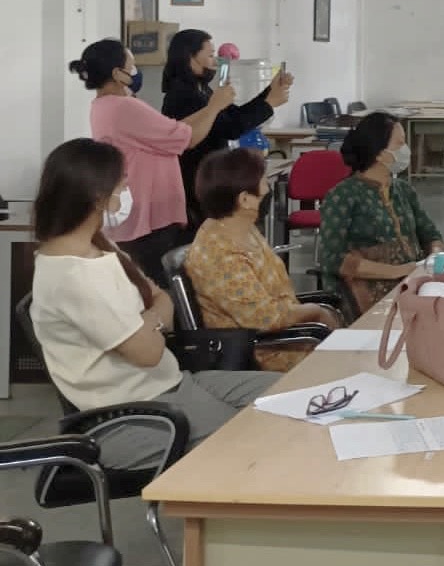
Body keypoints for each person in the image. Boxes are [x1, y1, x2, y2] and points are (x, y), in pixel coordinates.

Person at [30, 138, 279, 472]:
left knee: (288, 394)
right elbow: (148, 351)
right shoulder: (72, 276)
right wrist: (154, 320)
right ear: (96, 196)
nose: (126, 190)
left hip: (170, 384)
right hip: (129, 414)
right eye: (122, 183)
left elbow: (161, 298)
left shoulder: (101, 247)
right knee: (253, 439)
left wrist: (148, 322)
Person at [73, 37, 228, 287]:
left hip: (137, 209)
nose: (136, 71)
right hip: (148, 214)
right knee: (160, 286)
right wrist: (215, 107)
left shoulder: (103, 105)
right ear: (117, 73)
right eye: (131, 65)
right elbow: (188, 138)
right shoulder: (126, 107)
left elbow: (175, 129)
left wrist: (211, 107)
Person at [186, 148, 341, 372]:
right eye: (263, 182)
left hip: (289, 335)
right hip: (268, 351)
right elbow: (265, 319)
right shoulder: (219, 254)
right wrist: (315, 312)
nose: (268, 188)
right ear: (245, 199)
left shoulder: (240, 228)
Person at [161, 29, 293, 228]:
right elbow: (230, 127)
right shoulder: (182, 94)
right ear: (191, 57)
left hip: (210, 173)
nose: (215, 61)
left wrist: (269, 93)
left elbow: (233, 115)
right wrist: (269, 103)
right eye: (210, 55)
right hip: (197, 178)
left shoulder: (202, 89)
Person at [318, 111, 444, 311]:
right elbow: (333, 260)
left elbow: (430, 235)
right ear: (379, 153)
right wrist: (398, 271)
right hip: (367, 294)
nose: (406, 150)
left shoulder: (403, 190)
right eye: (399, 144)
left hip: (411, 284)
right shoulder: (343, 196)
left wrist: (435, 258)